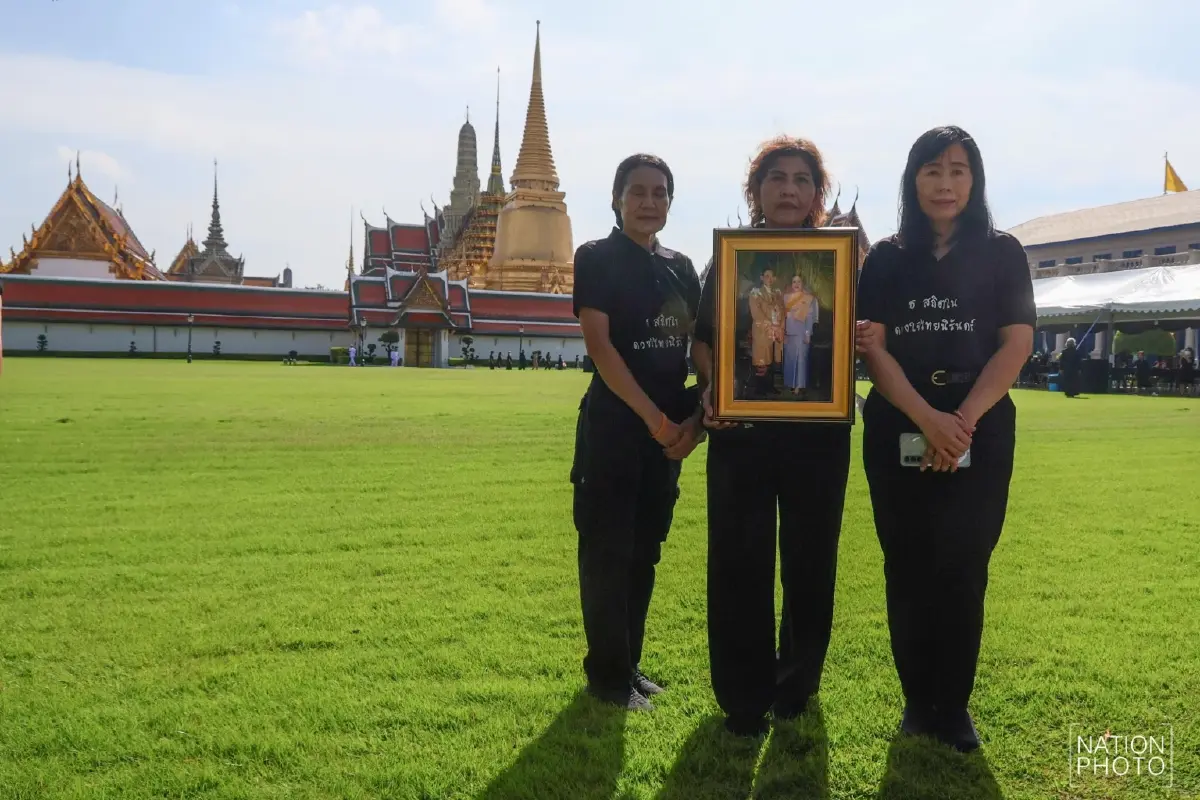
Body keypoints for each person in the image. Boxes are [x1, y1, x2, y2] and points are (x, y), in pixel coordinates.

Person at [854, 125, 1035, 752]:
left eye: (959, 170)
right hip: (898, 423)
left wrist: (962, 422)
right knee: (905, 566)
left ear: (975, 180)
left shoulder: (1002, 253)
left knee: (963, 568)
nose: (946, 183)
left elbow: (1016, 343)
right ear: (912, 180)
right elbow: (871, 348)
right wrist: (928, 420)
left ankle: (952, 707)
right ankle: (916, 702)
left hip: (979, 429)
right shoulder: (885, 257)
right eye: (932, 170)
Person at [691, 135, 851, 737]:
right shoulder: (731, 258)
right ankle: (742, 696)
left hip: (819, 434)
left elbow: (848, 336)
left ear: (817, 193)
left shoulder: (837, 260)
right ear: (755, 191)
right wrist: (714, 390)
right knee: (739, 560)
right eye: (777, 178)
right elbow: (705, 340)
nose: (789, 189)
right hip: (744, 433)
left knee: (811, 562)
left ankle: (796, 685)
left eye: (802, 180)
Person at [570, 153, 705, 711]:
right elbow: (600, 347)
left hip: (668, 435)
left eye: (660, 193)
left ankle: (628, 665)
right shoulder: (597, 258)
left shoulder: (681, 266)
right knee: (607, 552)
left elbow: (699, 345)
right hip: (615, 431)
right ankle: (606, 677)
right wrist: (656, 421)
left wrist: (694, 423)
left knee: (645, 550)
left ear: (671, 202)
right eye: (638, 192)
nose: (649, 203)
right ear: (617, 198)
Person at [783, 274, 818, 395]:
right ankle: (790, 384)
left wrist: (808, 333)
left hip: (802, 333)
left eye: (799, 281)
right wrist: (784, 333)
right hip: (789, 332)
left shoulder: (808, 298)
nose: (796, 284)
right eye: (794, 282)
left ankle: (799, 385)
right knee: (790, 359)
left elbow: (809, 318)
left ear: (802, 284)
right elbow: (782, 317)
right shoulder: (786, 298)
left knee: (800, 360)